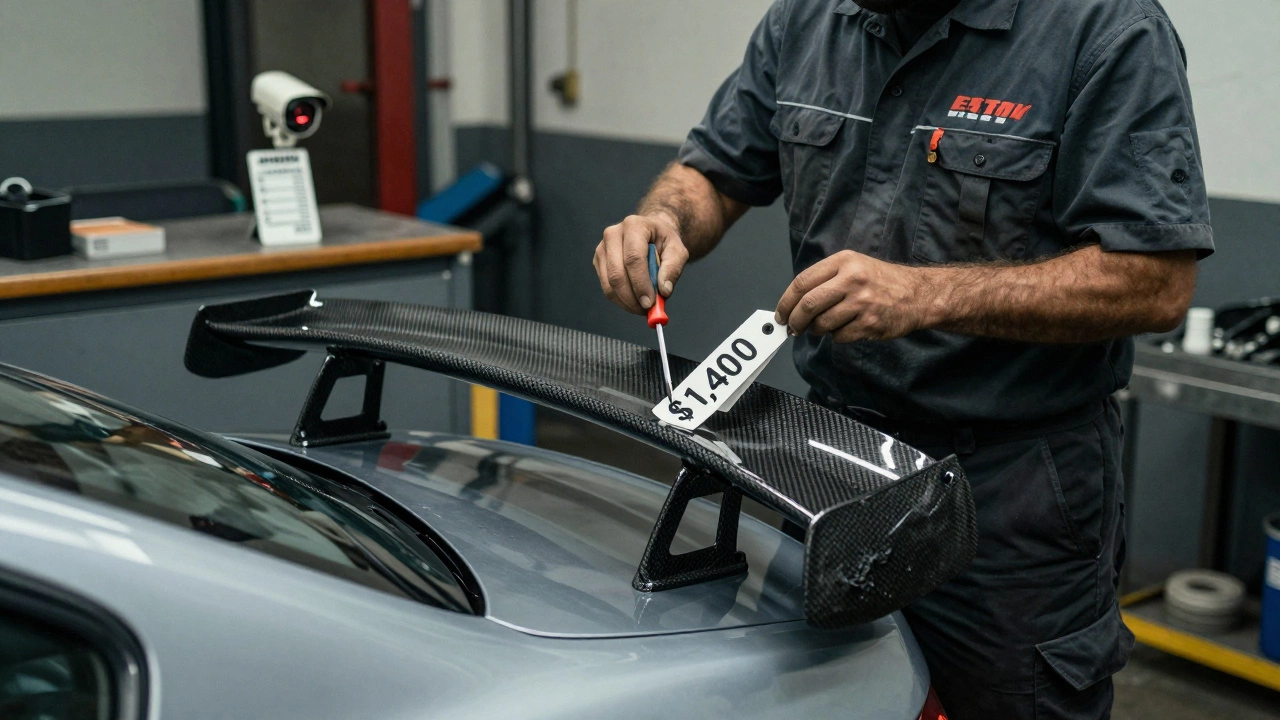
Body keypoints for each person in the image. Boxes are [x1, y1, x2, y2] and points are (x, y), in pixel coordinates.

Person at [591, 0, 1212, 717]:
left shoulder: (1107, 30)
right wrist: (666, 218)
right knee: (828, 700)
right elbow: (716, 170)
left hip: (1008, 497)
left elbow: (1156, 281)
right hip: (831, 464)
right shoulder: (810, 21)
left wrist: (928, 295)